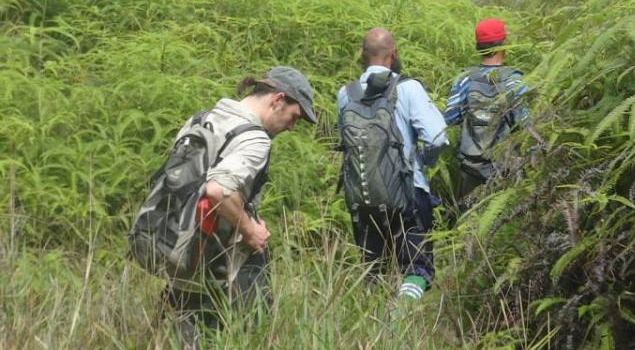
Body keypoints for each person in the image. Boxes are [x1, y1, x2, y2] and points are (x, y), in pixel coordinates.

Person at [165, 66, 317, 346]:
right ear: (277, 100)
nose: (292, 126)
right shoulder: (255, 138)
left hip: (180, 250)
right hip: (225, 261)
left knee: (186, 336)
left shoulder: (201, 119)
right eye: (294, 116)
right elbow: (217, 189)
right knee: (247, 335)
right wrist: (250, 230)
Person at [336, 27, 448, 300]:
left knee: (373, 271)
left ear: (363, 55)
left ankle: (371, 327)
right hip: (408, 193)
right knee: (417, 269)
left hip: (363, 195)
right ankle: (401, 320)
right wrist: (421, 162)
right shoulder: (408, 88)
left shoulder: (345, 93)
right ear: (393, 54)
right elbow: (438, 136)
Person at [444, 18, 527, 207]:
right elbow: (525, 124)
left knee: (468, 220)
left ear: (478, 46)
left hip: (470, 166)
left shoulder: (465, 79)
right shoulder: (514, 80)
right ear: (504, 44)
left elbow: (449, 117)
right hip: (504, 166)